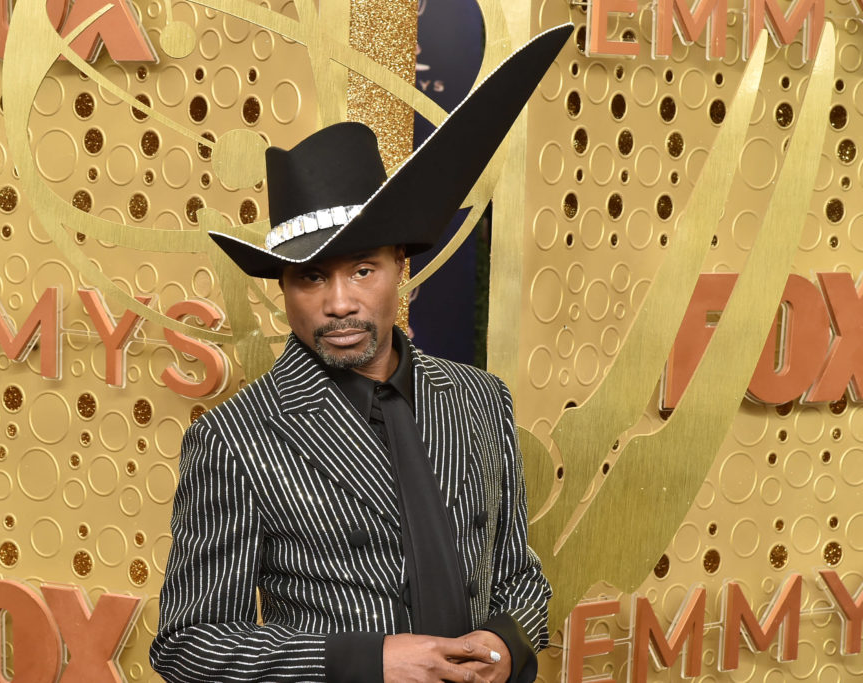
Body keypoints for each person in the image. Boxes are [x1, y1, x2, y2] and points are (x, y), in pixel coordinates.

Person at [150, 24, 572, 683]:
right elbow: (188, 647)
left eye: (363, 271)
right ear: (284, 286)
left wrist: (505, 640)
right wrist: (362, 659)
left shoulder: (481, 399)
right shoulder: (233, 439)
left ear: (401, 263)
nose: (340, 302)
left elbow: (518, 573)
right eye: (312, 277)